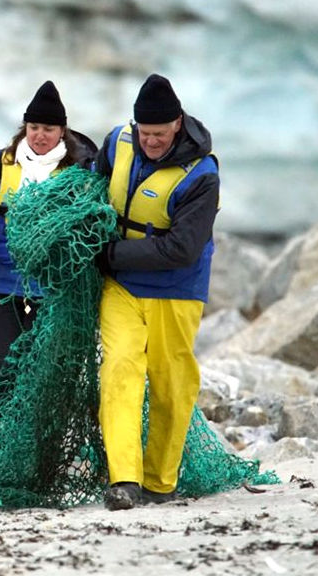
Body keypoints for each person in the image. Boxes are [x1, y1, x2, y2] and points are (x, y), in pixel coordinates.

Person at [93, 74, 220, 510]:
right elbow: (94, 185)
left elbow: (181, 249)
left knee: (170, 383)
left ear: (178, 125)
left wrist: (110, 255)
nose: (150, 142)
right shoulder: (117, 142)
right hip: (123, 287)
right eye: (144, 133)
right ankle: (124, 480)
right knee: (120, 369)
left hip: (177, 289)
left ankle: (160, 482)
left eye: (159, 134)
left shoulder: (202, 174)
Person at [0, 80, 95, 407]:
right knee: (0, 371)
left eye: (48, 128)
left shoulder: (80, 170)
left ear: (62, 131)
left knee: (47, 376)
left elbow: (91, 228)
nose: (40, 135)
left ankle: (39, 451)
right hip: (1, 287)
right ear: (24, 128)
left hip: (54, 291)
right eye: (33, 127)